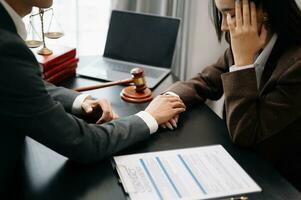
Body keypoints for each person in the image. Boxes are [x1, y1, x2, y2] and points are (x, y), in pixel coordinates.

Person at [0, 0, 186, 195]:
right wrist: (150, 117)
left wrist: (80, 101)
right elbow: (84, 144)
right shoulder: (6, 47)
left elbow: (21, 81)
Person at [164, 0, 301, 190]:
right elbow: (206, 81)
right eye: (221, 14)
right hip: (244, 164)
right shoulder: (245, 42)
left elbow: (245, 133)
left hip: (278, 181)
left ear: (265, 11)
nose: (223, 26)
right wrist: (167, 100)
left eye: (231, 14)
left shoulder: (296, 65)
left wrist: (243, 61)